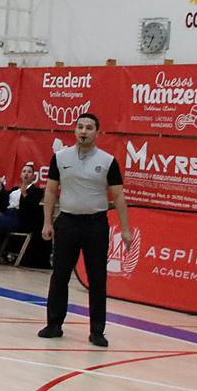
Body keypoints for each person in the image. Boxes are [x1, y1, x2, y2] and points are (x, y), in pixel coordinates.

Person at [38, 114, 132, 347]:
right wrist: (47, 222)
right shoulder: (60, 157)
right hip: (67, 222)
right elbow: (50, 191)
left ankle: (97, 331)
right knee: (60, 275)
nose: (84, 131)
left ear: (97, 132)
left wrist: (126, 229)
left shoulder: (108, 161)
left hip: (95, 225)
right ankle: (54, 324)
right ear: (74, 131)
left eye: (89, 128)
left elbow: (118, 196)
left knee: (97, 279)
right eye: (80, 127)